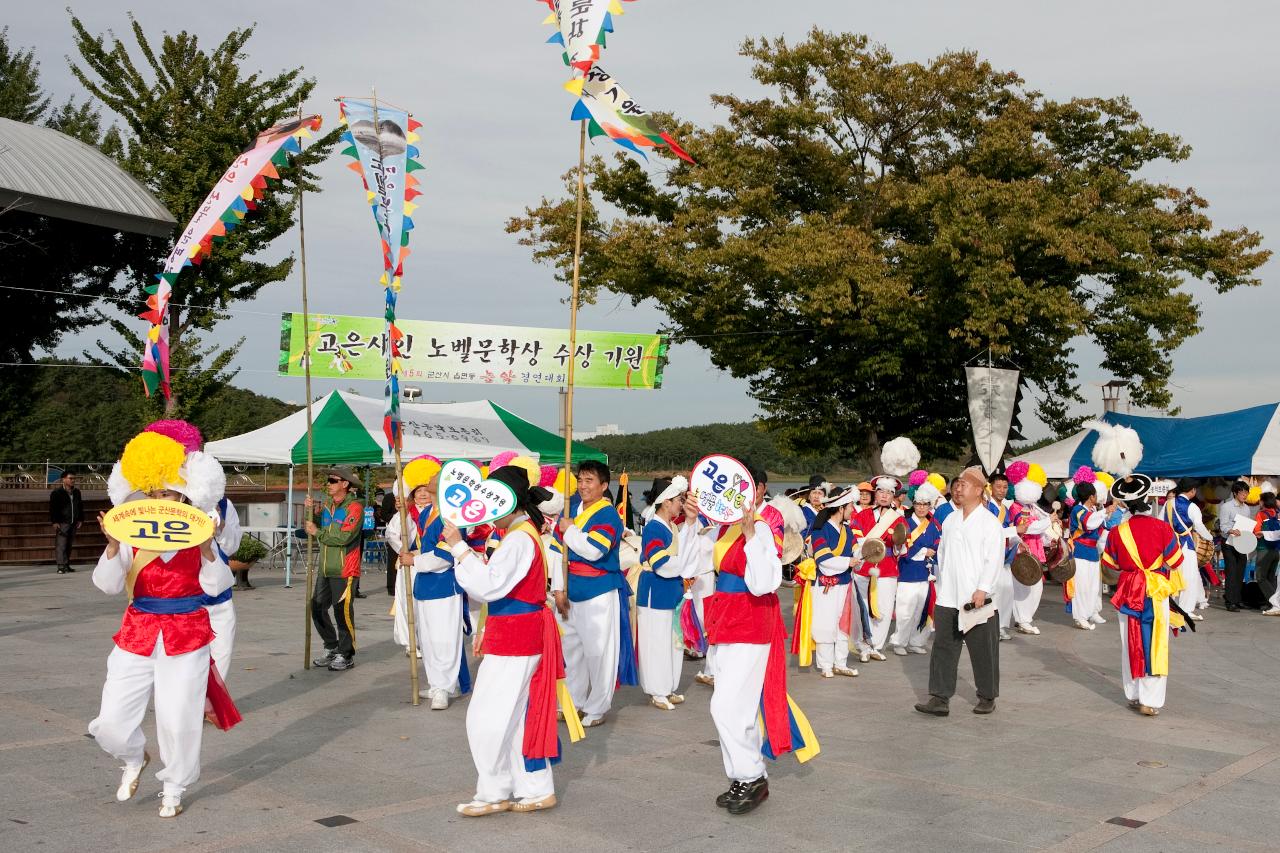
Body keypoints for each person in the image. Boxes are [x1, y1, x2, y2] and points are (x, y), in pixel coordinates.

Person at [90, 429, 238, 818]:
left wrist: (207, 550)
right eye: (154, 495)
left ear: (184, 498)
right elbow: (105, 585)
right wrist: (111, 545)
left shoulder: (199, 533)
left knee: (178, 718)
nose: (159, 502)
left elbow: (219, 584)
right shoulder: (130, 533)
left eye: (168, 496)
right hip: (136, 629)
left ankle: (174, 784)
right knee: (108, 723)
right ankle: (134, 755)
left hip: (186, 632)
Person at [446, 466, 582, 816]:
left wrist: (460, 549)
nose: (487, 512)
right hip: (519, 633)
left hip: (517, 637)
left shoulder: (520, 538)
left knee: (486, 718)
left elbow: (490, 586)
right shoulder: (523, 533)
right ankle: (534, 789)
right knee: (519, 715)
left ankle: (495, 791)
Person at [702, 463, 818, 815]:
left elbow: (765, 582)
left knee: (724, 705)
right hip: (725, 619)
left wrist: (752, 537)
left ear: (758, 490)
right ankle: (744, 776)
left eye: (743, 487)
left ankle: (751, 775)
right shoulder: (723, 527)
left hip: (752, 623)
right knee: (739, 707)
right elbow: (693, 566)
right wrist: (693, 522)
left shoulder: (765, 526)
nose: (734, 495)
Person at [914, 466, 1002, 717]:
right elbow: (942, 555)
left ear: (977, 490)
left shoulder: (989, 523)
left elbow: (993, 559)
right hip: (948, 596)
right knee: (943, 648)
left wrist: (983, 588)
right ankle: (940, 698)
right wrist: (941, 586)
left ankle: (987, 696)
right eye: (958, 484)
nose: (958, 488)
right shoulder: (950, 520)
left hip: (977, 597)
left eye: (964, 484)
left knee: (983, 650)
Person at [386, 455, 471, 709]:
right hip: (424, 585)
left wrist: (415, 560)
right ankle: (437, 683)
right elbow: (407, 530)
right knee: (429, 639)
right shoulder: (427, 514)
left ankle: (445, 687)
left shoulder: (452, 517)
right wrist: (403, 508)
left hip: (444, 585)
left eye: (435, 476)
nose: (429, 479)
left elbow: (446, 556)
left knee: (444, 639)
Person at [554, 460, 635, 727]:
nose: (583, 485)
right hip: (571, 588)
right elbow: (557, 552)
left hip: (599, 591)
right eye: (581, 480)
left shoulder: (608, 515)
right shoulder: (570, 509)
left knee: (598, 652)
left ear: (603, 486)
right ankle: (573, 701)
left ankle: (597, 706)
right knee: (572, 650)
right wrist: (558, 589)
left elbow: (594, 550)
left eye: (590, 481)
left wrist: (570, 530)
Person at [1104, 474, 1191, 717]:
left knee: (1129, 641)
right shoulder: (1162, 528)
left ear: (1125, 503)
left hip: (1128, 590)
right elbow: (1175, 561)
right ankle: (1149, 700)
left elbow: (1110, 563)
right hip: (1155, 589)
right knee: (1154, 642)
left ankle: (1133, 694)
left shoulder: (1116, 532)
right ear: (1148, 499)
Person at [636, 476, 697, 709]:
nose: (681, 504)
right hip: (655, 591)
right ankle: (657, 690)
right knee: (656, 642)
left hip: (671, 590)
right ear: (665, 502)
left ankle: (669, 687)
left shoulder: (671, 526)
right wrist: (686, 565)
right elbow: (660, 563)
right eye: (678, 500)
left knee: (673, 641)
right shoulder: (653, 527)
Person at [798, 486, 862, 678]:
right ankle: (826, 665)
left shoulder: (848, 531)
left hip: (844, 584)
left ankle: (840, 662)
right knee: (825, 624)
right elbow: (824, 562)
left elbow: (856, 551)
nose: (853, 509)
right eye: (851, 506)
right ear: (841, 508)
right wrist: (848, 562)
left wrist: (864, 554)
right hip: (826, 586)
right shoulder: (819, 531)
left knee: (844, 625)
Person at [306, 467, 364, 672]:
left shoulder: (355, 508)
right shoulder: (328, 505)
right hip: (325, 567)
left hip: (344, 569)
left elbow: (344, 537)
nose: (328, 484)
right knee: (317, 607)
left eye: (332, 480)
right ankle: (331, 646)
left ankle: (346, 654)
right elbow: (312, 530)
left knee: (342, 611)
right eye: (328, 481)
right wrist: (310, 513)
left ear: (345, 484)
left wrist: (317, 532)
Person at [849, 476, 907, 662]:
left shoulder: (899, 519)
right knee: (862, 607)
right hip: (864, 565)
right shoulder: (861, 515)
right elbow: (854, 537)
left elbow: (903, 545)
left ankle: (876, 645)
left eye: (889, 493)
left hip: (887, 567)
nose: (884, 496)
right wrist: (869, 545)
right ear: (876, 493)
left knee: (884, 607)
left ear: (893, 496)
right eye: (881, 491)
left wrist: (897, 544)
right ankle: (862, 644)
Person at [892, 483, 942, 655]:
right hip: (907, 572)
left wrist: (932, 553)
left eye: (925, 504)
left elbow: (938, 545)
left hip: (925, 573)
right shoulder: (904, 523)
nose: (921, 508)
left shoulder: (933, 525)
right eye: (918, 504)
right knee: (905, 610)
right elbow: (901, 547)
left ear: (929, 506)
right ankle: (899, 642)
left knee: (922, 609)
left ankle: (916, 641)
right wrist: (923, 551)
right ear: (913, 505)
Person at [1165, 480, 1212, 618]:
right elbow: (1199, 525)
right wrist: (1209, 537)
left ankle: (1172, 607)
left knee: (1172, 575)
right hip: (1185, 545)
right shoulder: (1192, 507)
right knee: (1189, 577)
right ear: (1192, 490)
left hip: (1170, 545)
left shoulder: (1168, 504)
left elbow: (1161, 522)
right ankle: (1185, 609)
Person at [1066, 482, 1106, 630]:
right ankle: (1080, 617)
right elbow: (1088, 523)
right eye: (1095, 495)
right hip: (1080, 552)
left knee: (1093, 587)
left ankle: (1088, 613)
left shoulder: (1093, 510)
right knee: (1081, 586)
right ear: (1091, 496)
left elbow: (1101, 528)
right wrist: (1104, 511)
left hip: (1092, 553)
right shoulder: (1077, 509)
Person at [1218, 480, 1255, 612]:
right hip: (1228, 542)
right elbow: (1223, 526)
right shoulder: (1226, 507)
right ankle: (1230, 602)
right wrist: (1232, 530)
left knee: (1241, 571)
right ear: (1235, 493)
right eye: (1242, 492)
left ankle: (1238, 599)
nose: (1244, 495)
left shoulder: (1246, 508)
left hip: (1241, 543)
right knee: (1231, 571)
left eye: (1246, 492)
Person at [50, 470, 83, 573]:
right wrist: (54, 521)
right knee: (61, 544)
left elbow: (80, 506)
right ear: (63, 479)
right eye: (70, 478)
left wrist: (81, 519)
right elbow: (53, 508)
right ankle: (60, 566)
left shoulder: (77, 492)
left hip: (73, 522)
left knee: (69, 544)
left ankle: (66, 564)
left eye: (74, 478)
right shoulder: (56, 493)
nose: (73, 480)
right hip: (62, 522)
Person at [1254, 490, 1280, 614]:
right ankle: (1273, 604)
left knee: (1260, 577)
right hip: (1276, 550)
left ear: (1263, 502)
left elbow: (1257, 531)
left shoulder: (1261, 514)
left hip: (1264, 550)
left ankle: (1275, 603)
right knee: (1271, 577)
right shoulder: (1278, 513)